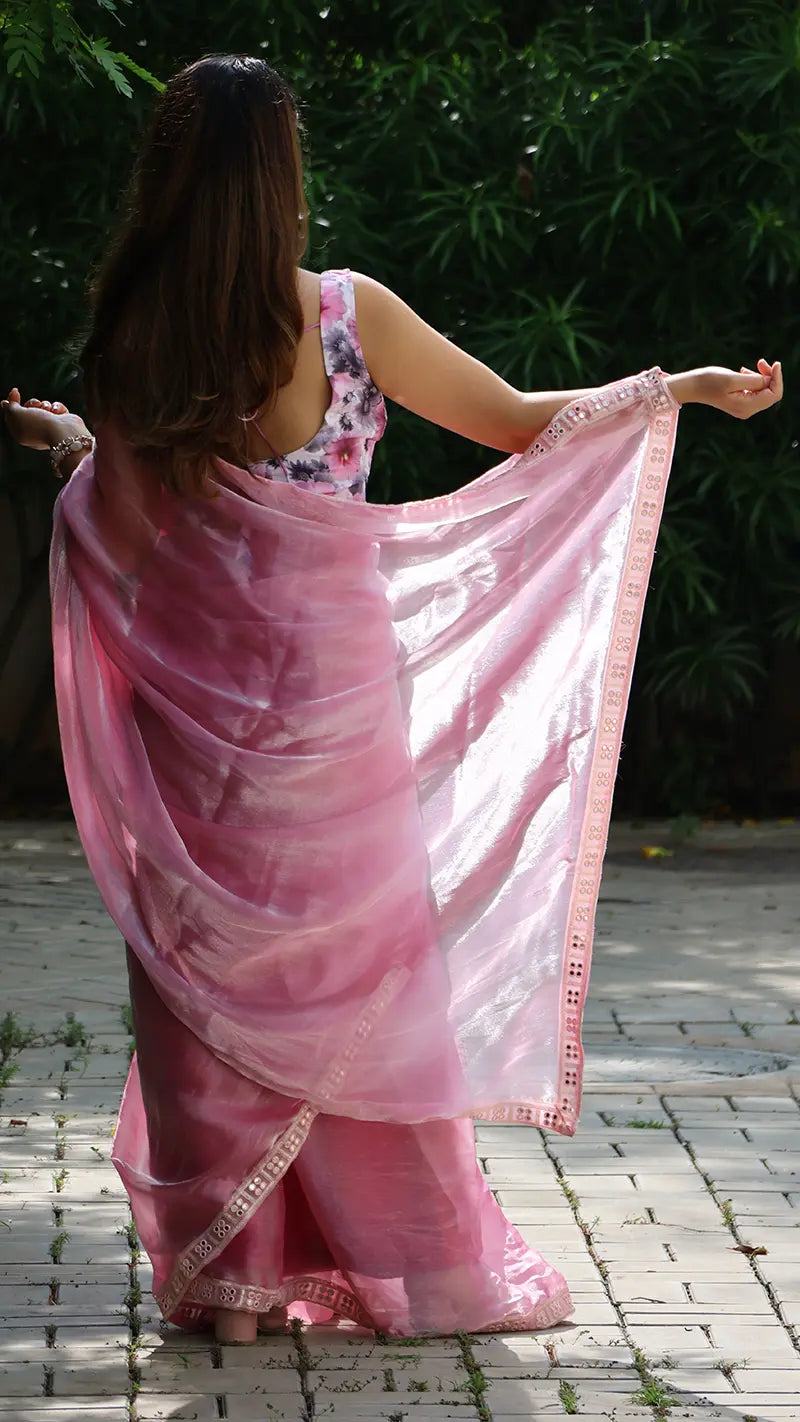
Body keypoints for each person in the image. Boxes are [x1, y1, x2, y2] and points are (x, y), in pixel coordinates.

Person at [2, 54, 782, 1346]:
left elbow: (130, 536)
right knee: (357, 980)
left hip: (203, 733)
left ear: (172, 183)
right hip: (335, 721)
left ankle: (234, 1284)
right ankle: (410, 1260)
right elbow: (529, 421)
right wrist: (674, 388)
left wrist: (66, 448)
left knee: (210, 981)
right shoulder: (350, 318)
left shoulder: (141, 335)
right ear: (283, 184)